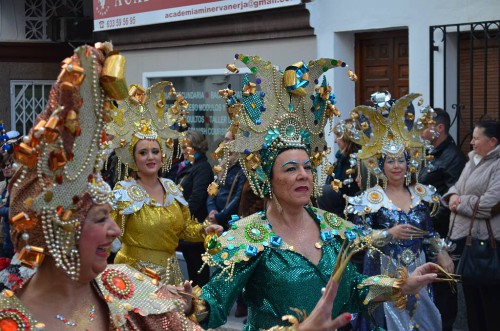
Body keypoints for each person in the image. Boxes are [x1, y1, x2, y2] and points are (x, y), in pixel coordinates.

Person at [198, 55, 450, 331]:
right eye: (291, 169)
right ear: (267, 178)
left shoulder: (331, 228)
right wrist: (189, 304)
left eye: (307, 167)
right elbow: (214, 302)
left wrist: (401, 284)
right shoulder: (247, 237)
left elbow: (355, 289)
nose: (304, 174)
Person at [1, 42, 204, 330]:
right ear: (60, 226)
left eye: (155, 151)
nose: (114, 230)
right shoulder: (9, 317)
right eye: (100, 218)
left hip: (165, 274)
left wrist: (185, 299)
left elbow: (184, 230)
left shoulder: (127, 289)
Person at [343, 93, 455, 331]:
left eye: (400, 160)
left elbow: (429, 232)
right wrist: (388, 234)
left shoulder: (419, 194)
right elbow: (356, 238)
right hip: (384, 275)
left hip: (419, 270)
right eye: (390, 161)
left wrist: (441, 252)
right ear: (380, 166)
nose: (396, 166)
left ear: (408, 164)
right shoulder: (371, 199)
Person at [107, 82, 222, 285]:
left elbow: (185, 229)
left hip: (170, 276)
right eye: (143, 152)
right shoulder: (124, 191)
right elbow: (105, 231)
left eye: (155, 151)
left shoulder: (171, 187)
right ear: (134, 158)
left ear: (163, 156)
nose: (150, 157)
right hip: (133, 276)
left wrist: (205, 230)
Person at [442, 120, 500, 331]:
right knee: (471, 305)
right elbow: (455, 188)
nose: (472, 142)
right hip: (463, 240)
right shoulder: (473, 160)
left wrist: (458, 203)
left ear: (492, 141)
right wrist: (453, 196)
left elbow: (490, 204)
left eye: (477, 138)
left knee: (490, 306)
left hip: (486, 243)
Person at [418, 107, 466, 331]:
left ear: (439, 128)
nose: (420, 128)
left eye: (426, 124)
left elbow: (452, 197)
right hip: (427, 231)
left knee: (446, 287)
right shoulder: (429, 152)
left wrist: (433, 225)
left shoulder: (452, 156)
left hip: (443, 233)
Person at [175, 130, 215, 287]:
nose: (184, 151)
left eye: (187, 147)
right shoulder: (188, 166)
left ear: (197, 147)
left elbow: (196, 198)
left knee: (198, 273)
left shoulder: (202, 168)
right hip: (186, 229)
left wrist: (180, 217)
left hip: (195, 226)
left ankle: (202, 307)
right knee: (192, 272)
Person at [317, 120, 360, 216]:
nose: (335, 141)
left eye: (337, 136)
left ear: (347, 137)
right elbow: (335, 186)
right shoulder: (340, 162)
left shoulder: (359, 164)